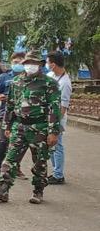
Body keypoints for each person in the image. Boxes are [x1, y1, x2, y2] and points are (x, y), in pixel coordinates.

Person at [0, 51, 61, 204]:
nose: (30, 66)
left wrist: (53, 132)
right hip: (19, 126)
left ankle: (38, 191)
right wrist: (7, 125)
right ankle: (3, 190)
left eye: (34, 63)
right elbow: (11, 105)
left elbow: (54, 108)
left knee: (39, 161)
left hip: (39, 127)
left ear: (40, 65)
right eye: (27, 63)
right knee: (10, 159)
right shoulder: (16, 81)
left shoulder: (49, 83)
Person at [0, 52, 26, 179]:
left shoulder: (29, 78)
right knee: (4, 140)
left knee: (20, 143)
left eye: (21, 62)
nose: (18, 64)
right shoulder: (5, 76)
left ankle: (15, 168)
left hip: (23, 115)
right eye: (15, 62)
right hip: (6, 114)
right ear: (11, 63)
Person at [46, 51, 71, 185]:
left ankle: (58, 175)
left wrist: (55, 124)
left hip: (57, 120)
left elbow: (63, 107)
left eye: (47, 62)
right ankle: (56, 171)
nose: (47, 64)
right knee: (51, 146)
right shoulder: (50, 76)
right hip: (49, 117)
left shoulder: (65, 83)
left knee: (58, 145)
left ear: (53, 64)